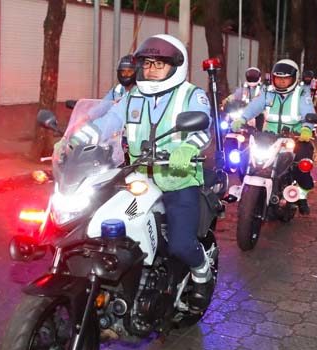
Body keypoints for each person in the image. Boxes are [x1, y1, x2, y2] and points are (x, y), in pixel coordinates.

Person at [69, 34, 214, 311]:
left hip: (177, 180)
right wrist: (75, 139)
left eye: (158, 64)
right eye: (147, 64)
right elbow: (107, 121)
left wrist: (184, 149)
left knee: (181, 243)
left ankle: (201, 273)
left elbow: (201, 130)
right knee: (100, 223)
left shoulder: (191, 95)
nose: (150, 69)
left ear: (175, 66)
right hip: (137, 176)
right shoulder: (133, 95)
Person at [231, 59, 317, 215]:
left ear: (294, 78)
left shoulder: (302, 93)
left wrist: (307, 129)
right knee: (244, 157)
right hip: (268, 137)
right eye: (278, 78)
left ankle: (302, 195)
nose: (282, 82)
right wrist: (242, 119)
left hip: (295, 137)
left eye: (285, 78)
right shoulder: (267, 92)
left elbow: (308, 111)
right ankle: (245, 188)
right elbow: (255, 106)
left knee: (303, 165)